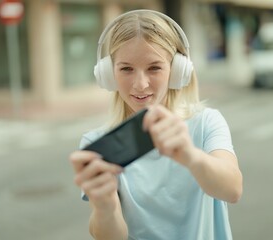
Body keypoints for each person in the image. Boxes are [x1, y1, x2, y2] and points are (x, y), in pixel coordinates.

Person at [69, 9, 243, 240]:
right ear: (108, 74)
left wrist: (190, 155)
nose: (140, 84)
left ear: (177, 70)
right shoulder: (97, 144)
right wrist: (105, 206)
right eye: (126, 69)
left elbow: (232, 190)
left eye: (154, 68)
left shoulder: (206, 122)